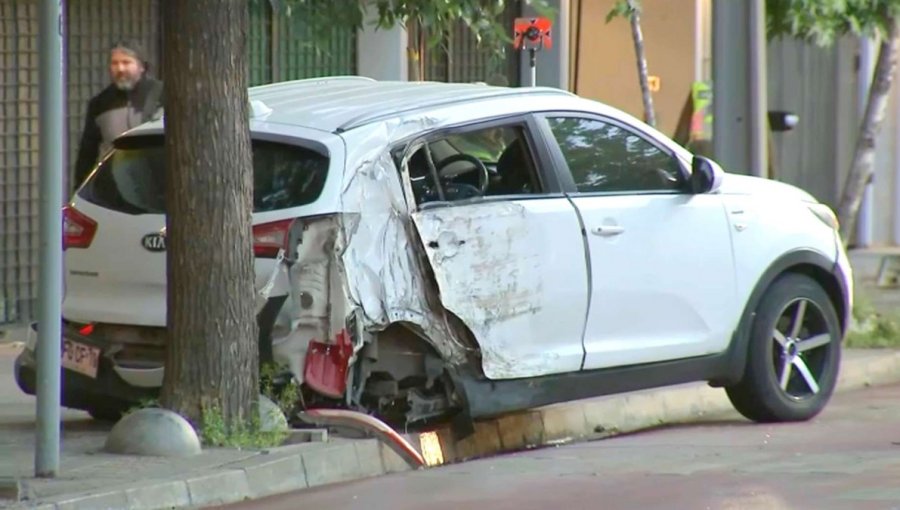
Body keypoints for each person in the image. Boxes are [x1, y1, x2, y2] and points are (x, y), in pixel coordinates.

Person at [73, 39, 164, 189]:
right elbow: (87, 153)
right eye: (115, 63)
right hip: (117, 187)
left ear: (141, 66)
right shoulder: (100, 103)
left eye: (126, 62)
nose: (120, 68)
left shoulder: (162, 96)